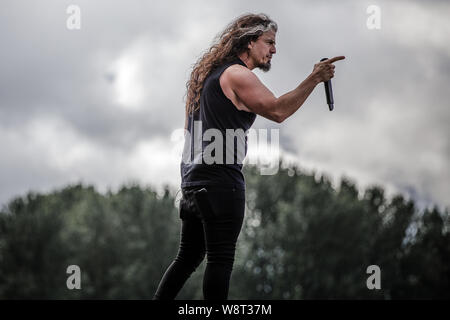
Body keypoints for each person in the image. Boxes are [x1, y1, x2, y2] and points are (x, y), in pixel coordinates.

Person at [153, 13, 345, 300]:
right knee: (220, 260)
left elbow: (187, 134)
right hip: (221, 184)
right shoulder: (237, 74)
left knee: (187, 257)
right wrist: (314, 78)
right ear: (249, 41)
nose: (274, 50)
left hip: (192, 183)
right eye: (269, 42)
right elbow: (278, 110)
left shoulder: (203, 77)